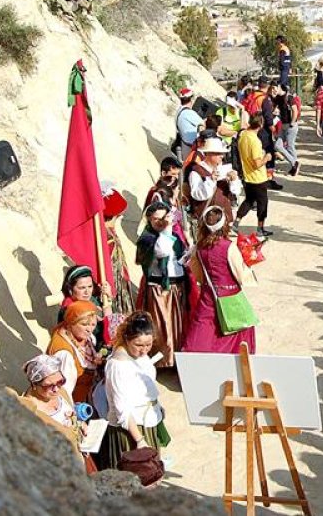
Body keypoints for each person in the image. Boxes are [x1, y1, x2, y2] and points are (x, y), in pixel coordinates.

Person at [180, 205, 257, 354]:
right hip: (231, 296)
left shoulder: (199, 248)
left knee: (204, 332)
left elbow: (198, 275)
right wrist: (249, 262)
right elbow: (240, 275)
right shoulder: (229, 247)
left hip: (208, 295)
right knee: (238, 333)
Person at [103, 312, 172, 469]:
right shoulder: (118, 366)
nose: (144, 350)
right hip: (133, 429)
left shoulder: (141, 356)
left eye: (148, 345)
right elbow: (122, 410)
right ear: (127, 339)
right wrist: (140, 440)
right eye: (139, 345)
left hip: (148, 420)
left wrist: (157, 408)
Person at [19, 354, 94, 473]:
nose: (56, 389)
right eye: (49, 385)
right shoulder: (31, 412)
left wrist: (80, 424)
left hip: (81, 456)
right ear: (34, 384)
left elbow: (71, 415)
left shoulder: (61, 392)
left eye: (60, 381)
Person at [134, 201, 187, 368]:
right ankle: (162, 361)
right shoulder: (147, 238)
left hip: (176, 287)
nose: (161, 222)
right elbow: (161, 251)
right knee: (162, 326)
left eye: (164, 218)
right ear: (149, 219)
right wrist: (167, 228)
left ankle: (175, 359)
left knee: (176, 326)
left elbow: (179, 256)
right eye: (156, 219)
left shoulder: (173, 235)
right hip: (159, 289)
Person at [46, 300, 104, 406]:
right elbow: (63, 392)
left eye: (92, 324)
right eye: (84, 324)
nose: (89, 329)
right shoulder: (65, 353)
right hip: (74, 405)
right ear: (71, 322)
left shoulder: (84, 337)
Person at [184, 136, 238, 225]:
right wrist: (211, 180)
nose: (222, 156)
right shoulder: (196, 172)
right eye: (218, 153)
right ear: (209, 154)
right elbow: (197, 195)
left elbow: (235, 192)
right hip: (207, 220)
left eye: (222, 153)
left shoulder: (224, 169)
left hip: (224, 218)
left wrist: (233, 180)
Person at [236, 114, 273, 238]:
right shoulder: (255, 141)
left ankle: (236, 223)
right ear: (261, 125)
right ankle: (260, 228)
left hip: (247, 175)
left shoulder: (243, 136)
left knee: (249, 200)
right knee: (263, 203)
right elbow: (257, 163)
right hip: (258, 177)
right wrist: (266, 158)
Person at [273, 83, 302, 176]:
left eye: (276, 87)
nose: (274, 89)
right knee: (278, 145)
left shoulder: (289, 98)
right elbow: (274, 107)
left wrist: (293, 122)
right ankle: (294, 163)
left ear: (281, 88)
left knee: (290, 146)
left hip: (290, 126)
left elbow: (295, 110)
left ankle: (294, 167)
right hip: (283, 125)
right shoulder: (278, 98)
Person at [174, 88, 203, 160]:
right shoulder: (189, 113)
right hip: (191, 147)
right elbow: (203, 124)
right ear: (191, 99)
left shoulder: (179, 110)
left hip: (184, 144)